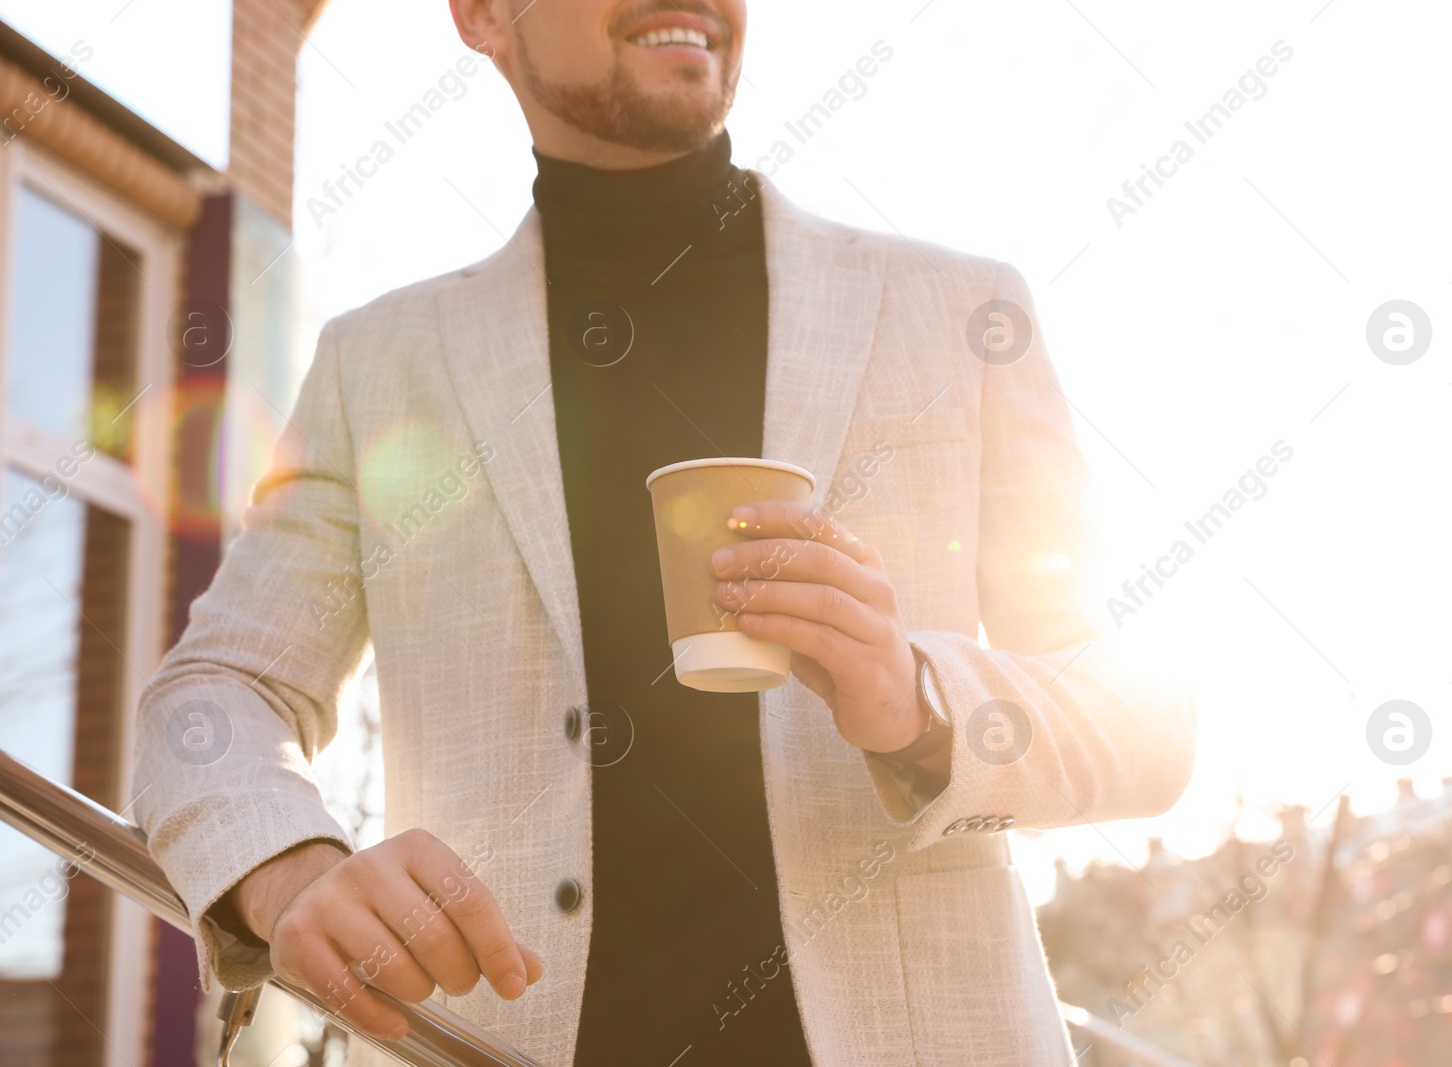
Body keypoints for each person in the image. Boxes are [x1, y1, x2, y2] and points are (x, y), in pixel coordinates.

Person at [133, 1, 1196, 1064]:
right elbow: (219, 688)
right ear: (483, 16)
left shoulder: (961, 311)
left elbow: (1144, 720)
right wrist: (291, 867)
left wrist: (917, 698)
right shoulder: (380, 362)